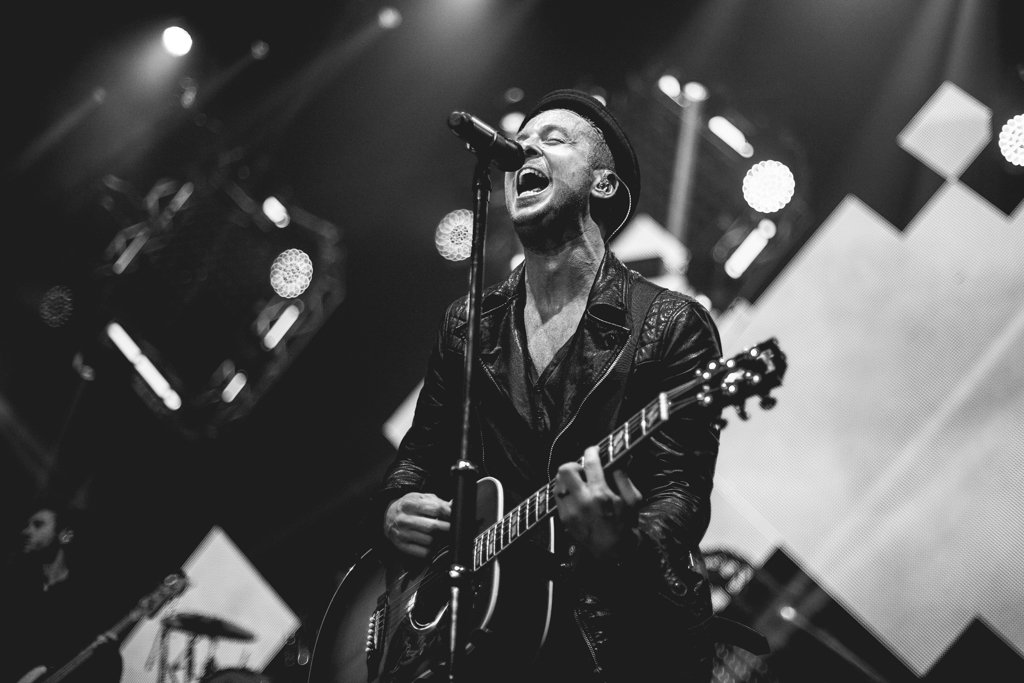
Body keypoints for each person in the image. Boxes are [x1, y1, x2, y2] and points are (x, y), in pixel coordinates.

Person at [378, 89, 724, 682]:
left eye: (553, 139)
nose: (525, 149)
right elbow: (419, 456)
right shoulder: (467, 324)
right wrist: (394, 509)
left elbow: (681, 495)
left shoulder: (670, 325)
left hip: (605, 643)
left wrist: (622, 543)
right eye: (521, 140)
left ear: (603, 184)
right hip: (479, 634)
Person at [1, 497, 124, 683]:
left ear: (65, 535)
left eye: (38, 525)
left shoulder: (82, 596)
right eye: (27, 525)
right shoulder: (13, 580)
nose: (26, 531)